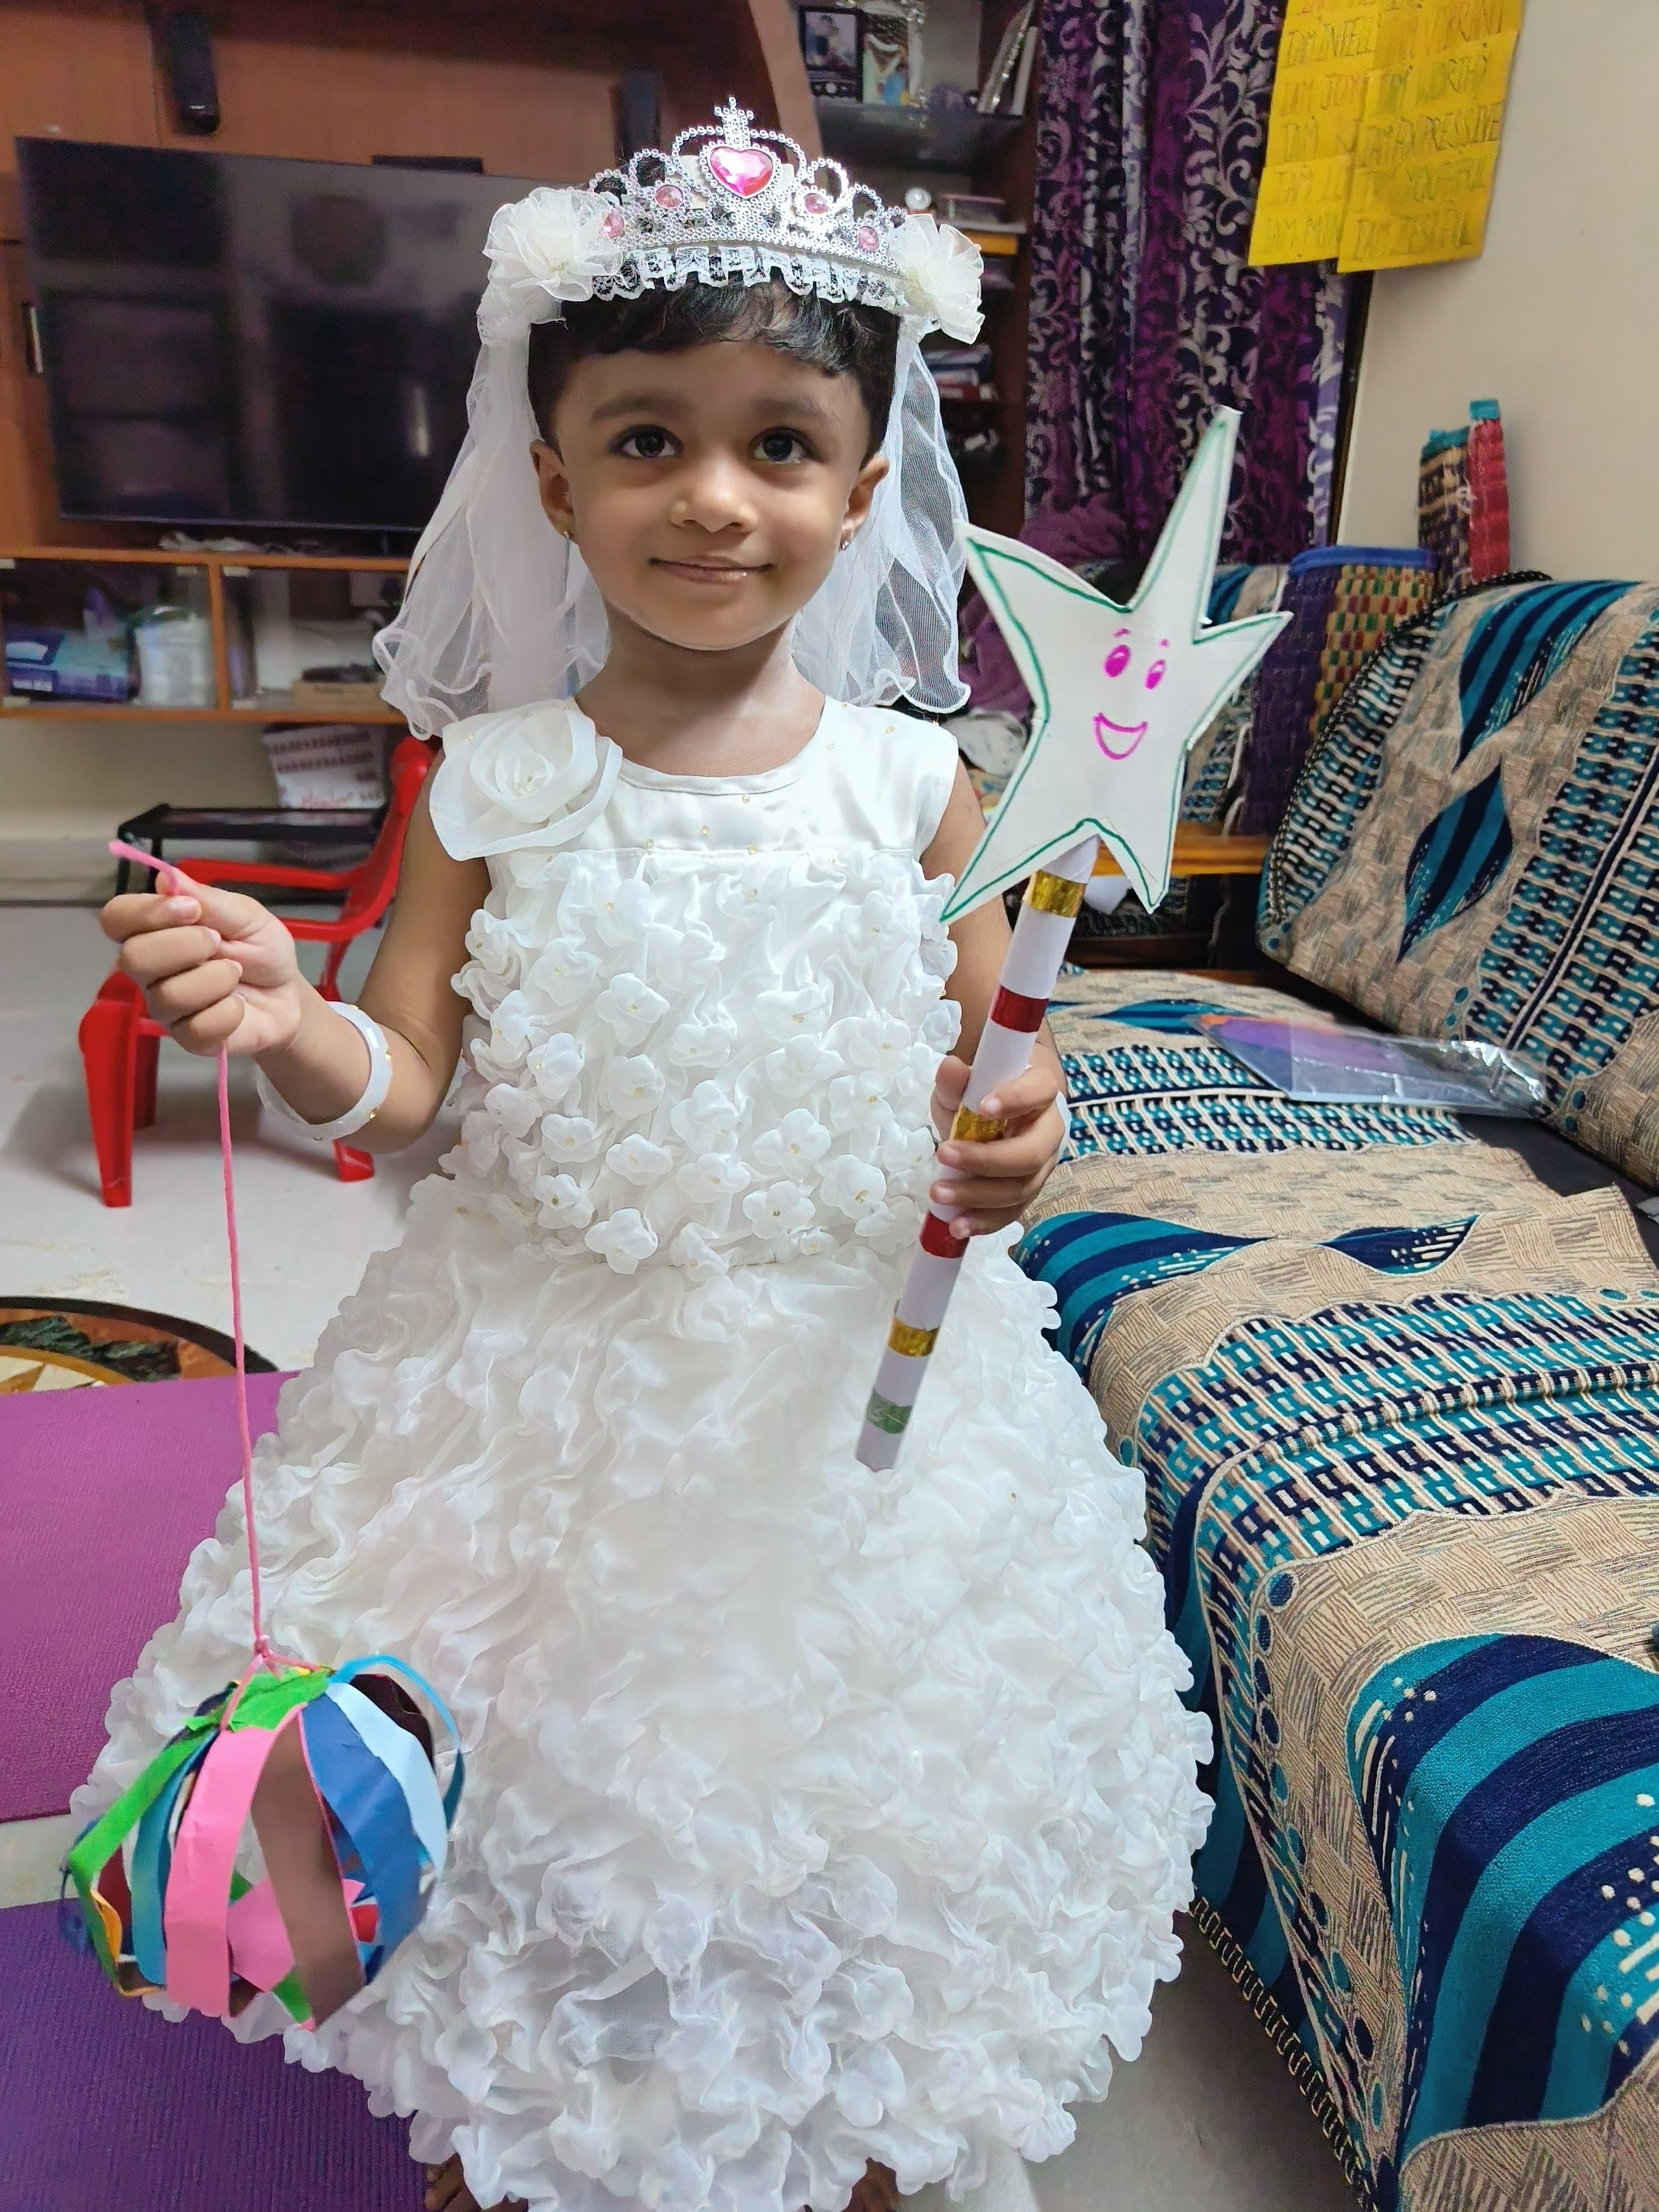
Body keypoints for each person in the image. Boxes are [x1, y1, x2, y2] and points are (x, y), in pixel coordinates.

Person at [77, 104, 1210, 2212]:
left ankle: (837, 2111)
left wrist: (1018, 1144)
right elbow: (408, 1079)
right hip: (541, 1370)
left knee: (851, 1776)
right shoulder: (490, 781)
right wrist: (295, 1021)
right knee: (534, 1771)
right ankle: (535, 2119)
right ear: (553, 476)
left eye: (779, 445)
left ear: (863, 488)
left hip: (852, 1383)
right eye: (648, 441)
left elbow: (1003, 1079)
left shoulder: (920, 792)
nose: (713, 495)